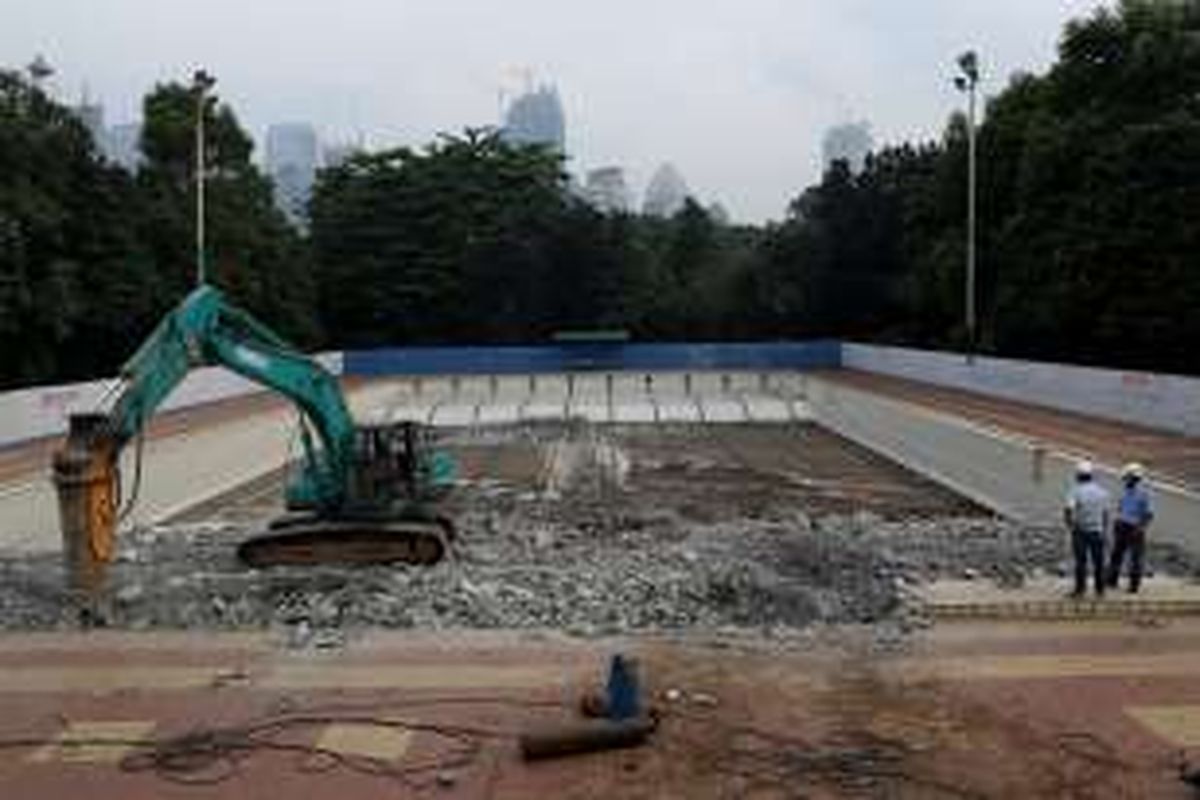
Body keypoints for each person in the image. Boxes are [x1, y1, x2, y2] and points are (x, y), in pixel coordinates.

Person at [1064, 460, 1110, 598]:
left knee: (1081, 562)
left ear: (1078, 475)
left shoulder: (1075, 491)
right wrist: (1104, 530)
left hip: (1081, 530)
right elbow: (1105, 514)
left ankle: (1080, 590)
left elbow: (1068, 510)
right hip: (1097, 530)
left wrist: (1070, 526)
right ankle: (1100, 590)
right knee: (1099, 562)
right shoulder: (1102, 492)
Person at [1107, 462, 1154, 593]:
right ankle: (1112, 580)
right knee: (1116, 554)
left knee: (1135, 557)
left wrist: (1141, 527)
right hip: (1122, 525)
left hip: (1135, 527)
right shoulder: (1125, 490)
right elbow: (1120, 507)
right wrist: (1117, 521)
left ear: (1134, 477)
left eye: (1127, 477)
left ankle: (1134, 585)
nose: (1124, 479)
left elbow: (1149, 513)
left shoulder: (1144, 493)